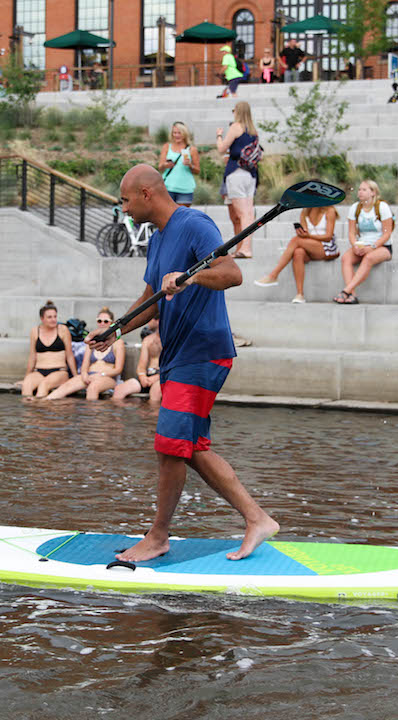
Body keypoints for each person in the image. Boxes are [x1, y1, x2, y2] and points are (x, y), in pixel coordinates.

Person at [86, 164, 279, 563]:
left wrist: (191, 278)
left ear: (145, 194)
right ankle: (257, 519)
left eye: (124, 200)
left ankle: (158, 537)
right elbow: (149, 298)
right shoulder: (157, 242)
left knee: (169, 446)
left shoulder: (195, 224)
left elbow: (231, 272)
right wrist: (116, 330)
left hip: (202, 350)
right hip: (177, 355)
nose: (123, 210)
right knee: (189, 447)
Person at [253, 205, 340, 303]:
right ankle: (300, 294)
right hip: (310, 246)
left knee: (296, 240)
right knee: (298, 252)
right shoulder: (305, 211)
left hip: (327, 247)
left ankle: (274, 275)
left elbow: (328, 236)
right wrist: (302, 234)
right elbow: (305, 235)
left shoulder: (329, 211)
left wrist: (308, 236)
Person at [334, 179, 394, 304]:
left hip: (382, 246)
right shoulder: (355, 208)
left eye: (364, 189)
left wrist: (372, 246)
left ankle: (346, 291)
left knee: (369, 258)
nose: (360, 192)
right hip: (362, 244)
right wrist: (355, 245)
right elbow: (351, 232)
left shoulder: (382, 207)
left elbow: (387, 233)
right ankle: (352, 296)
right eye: (359, 189)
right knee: (346, 258)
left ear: (373, 192)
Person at [46, 307, 126, 400]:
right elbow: (85, 365)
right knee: (66, 386)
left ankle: (90, 414)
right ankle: (43, 402)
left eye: (106, 321)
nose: (102, 323)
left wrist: (101, 374)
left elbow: (118, 369)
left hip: (108, 377)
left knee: (93, 387)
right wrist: (84, 375)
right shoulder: (92, 341)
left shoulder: (118, 342)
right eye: (99, 321)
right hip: (90, 375)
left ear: (111, 323)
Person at [216, 101, 260, 259]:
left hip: (236, 174)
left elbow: (221, 149)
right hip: (250, 175)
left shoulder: (236, 127)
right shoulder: (253, 131)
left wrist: (219, 136)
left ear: (238, 111)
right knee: (248, 213)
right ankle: (244, 248)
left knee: (242, 214)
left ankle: (246, 248)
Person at [21, 301, 78, 397]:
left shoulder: (63, 330)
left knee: (43, 385)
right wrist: (27, 376)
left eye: (55, 316)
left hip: (59, 371)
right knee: (27, 385)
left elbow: (69, 355)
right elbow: (32, 356)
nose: (53, 320)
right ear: (42, 319)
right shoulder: (35, 331)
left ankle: (41, 410)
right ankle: (29, 411)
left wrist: (76, 376)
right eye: (49, 317)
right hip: (39, 371)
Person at [112, 319, 163, 403]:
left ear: (158, 321)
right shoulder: (147, 340)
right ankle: (118, 415)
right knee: (119, 389)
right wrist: (142, 377)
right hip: (148, 376)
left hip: (164, 376)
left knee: (155, 392)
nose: (147, 322)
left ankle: (151, 416)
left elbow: (175, 366)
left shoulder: (173, 340)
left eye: (150, 319)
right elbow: (141, 367)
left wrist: (158, 377)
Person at [158, 122, 200, 207]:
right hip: (168, 187)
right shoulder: (167, 147)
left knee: (182, 217)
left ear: (184, 134)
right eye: (174, 133)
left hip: (185, 189)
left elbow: (197, 171)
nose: (177, 135)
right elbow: (160, 167)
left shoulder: (191, 150)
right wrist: (165, 165)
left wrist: (190, 165)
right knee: (167, 217)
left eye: (179, 133)